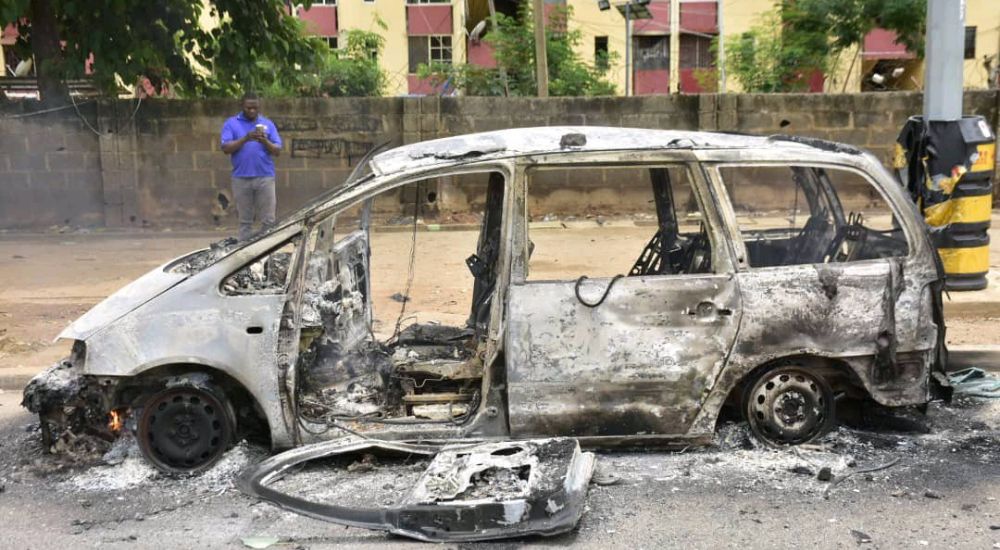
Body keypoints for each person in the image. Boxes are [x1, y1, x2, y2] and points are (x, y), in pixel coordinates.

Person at [221, 92, 283, 241]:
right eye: (249, 108)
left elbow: (277, 151)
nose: (252, 111)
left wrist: (265, 141)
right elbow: (225, 148)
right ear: (242, 106)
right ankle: (245, 257)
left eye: (255, 108)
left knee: (268, 221)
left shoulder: (267, 124)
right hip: (241, 178)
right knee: (245, 222)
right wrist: (246, 138)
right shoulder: (231, 123)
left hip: (265, 177)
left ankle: (267, 255)